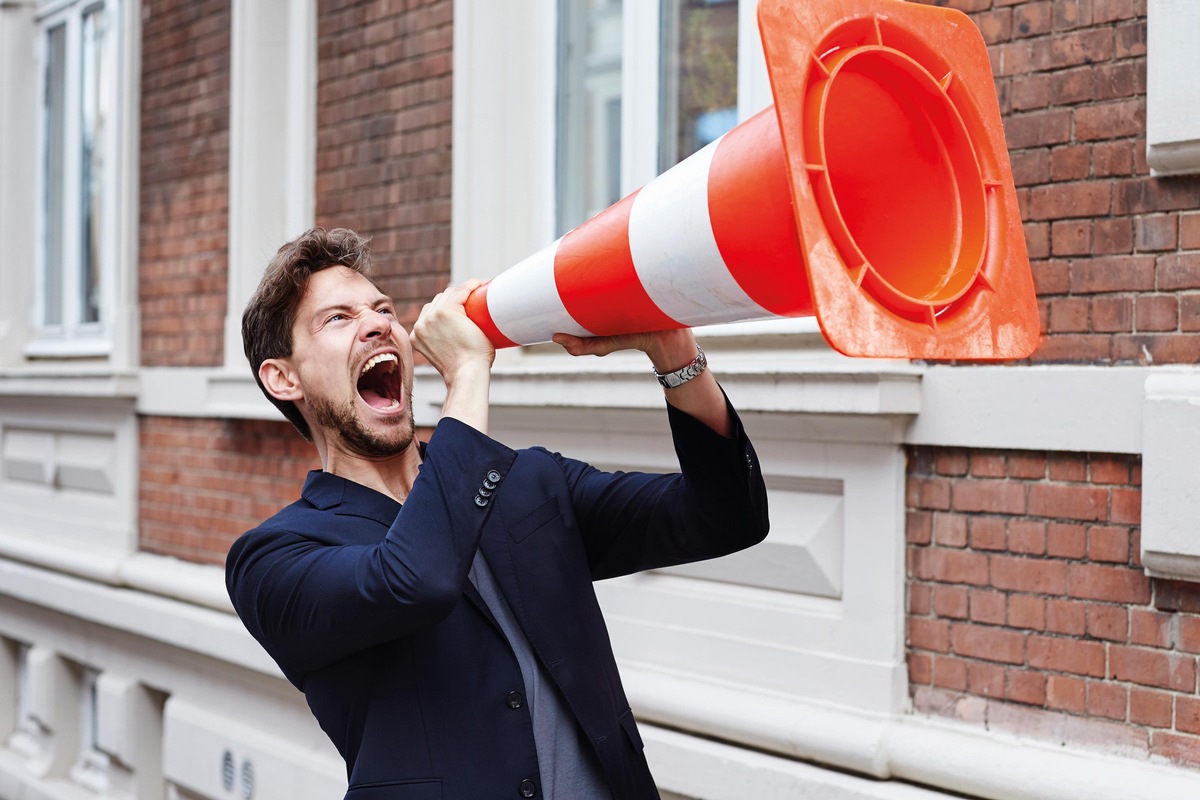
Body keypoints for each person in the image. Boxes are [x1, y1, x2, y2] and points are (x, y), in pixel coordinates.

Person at [225, 227, 770, 800]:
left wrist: (673, 352)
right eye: (337, 318)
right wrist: (466, 376)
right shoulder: (274, 558)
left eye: (383, 308)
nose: (378, 322)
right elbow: (417, 577)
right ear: (283, 378)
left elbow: (727, 514)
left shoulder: (525, 483)